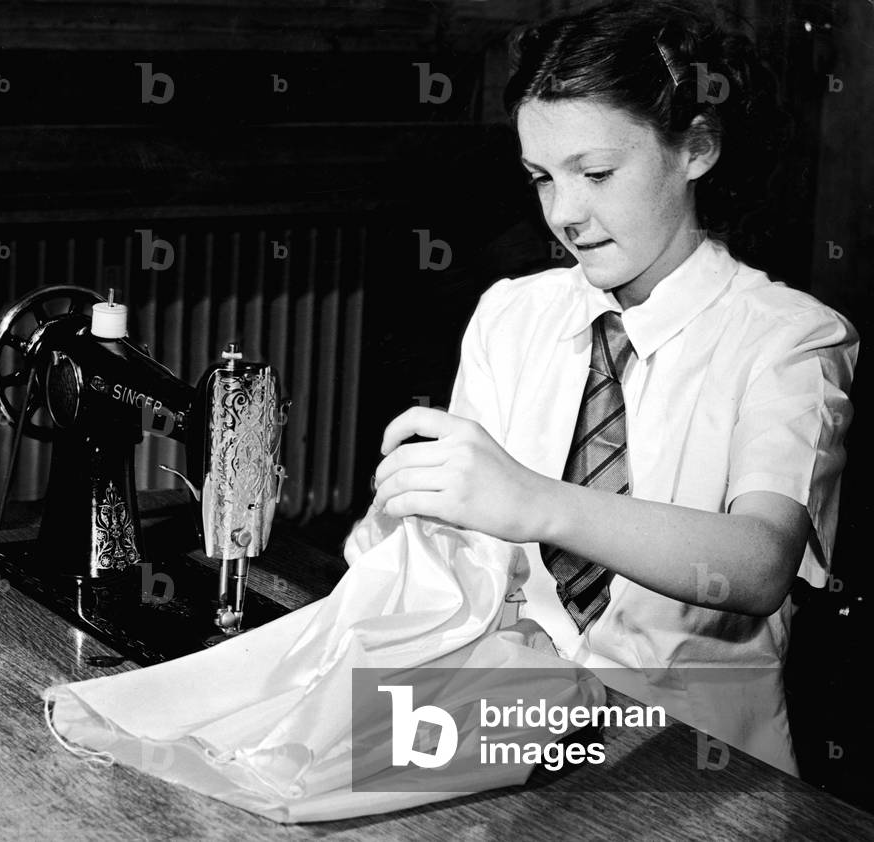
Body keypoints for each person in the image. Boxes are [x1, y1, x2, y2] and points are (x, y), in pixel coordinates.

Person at [367, 0, 858, 775]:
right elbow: (456, 563)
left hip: (699, 762)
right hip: (508, 722)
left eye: (595, 173)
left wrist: (533, 500)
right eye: (541, 178)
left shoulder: (789, 339)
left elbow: (762, 563)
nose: (565, 214)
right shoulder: (511, 314)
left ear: (696, 148)